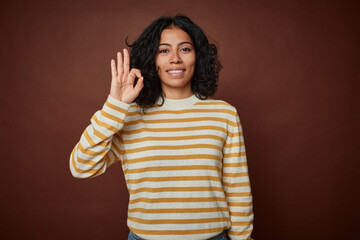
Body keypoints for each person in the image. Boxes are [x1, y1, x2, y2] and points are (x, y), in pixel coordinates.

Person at [70, 15, 253, 240]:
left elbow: (237, 188)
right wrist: (115, 105)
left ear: (198, 56)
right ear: (151, 59)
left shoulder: (224, 114)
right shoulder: (128, 115)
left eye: (185, 49)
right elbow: (80, 166)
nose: (175, 59)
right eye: (164, 51)